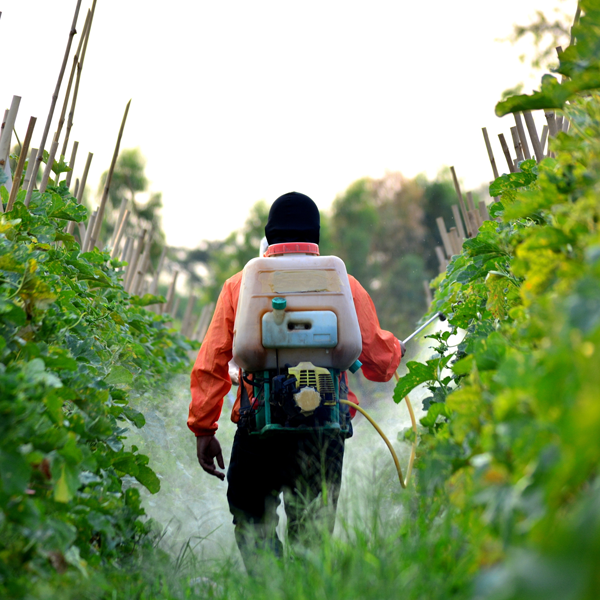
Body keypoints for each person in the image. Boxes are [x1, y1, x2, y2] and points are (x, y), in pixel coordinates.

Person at [188, 192, 404, 570]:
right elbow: (379, 363)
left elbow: (212, 362)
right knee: (312, 532)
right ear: (314, 234)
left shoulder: (240, 285)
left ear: (270, 236)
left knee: (253, 523)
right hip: (323, 429)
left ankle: (271, 590)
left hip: (258, 427)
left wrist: (204, 428)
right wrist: (395, 349)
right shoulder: (343, 284)